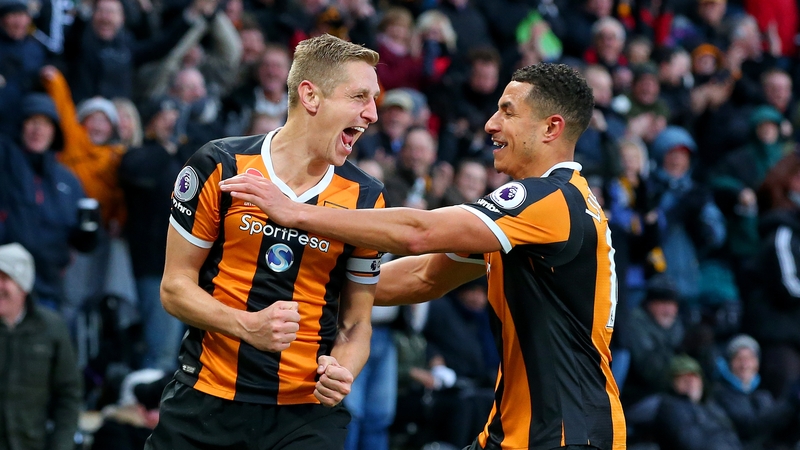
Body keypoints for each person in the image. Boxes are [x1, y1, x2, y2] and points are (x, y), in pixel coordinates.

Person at [221, 62, 626, 449]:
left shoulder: (548, 198)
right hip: (520, 430)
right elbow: (425, 277)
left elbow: (420, 232)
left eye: (508, 112)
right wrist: (308, 288)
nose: (491, 124)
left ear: (551, 128)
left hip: (563, 433)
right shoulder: (549, 209)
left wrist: (294, 212)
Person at [145, 34, 384, 450]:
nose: (373, 113)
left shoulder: (367, 198)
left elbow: (356, 323)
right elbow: (174, 288)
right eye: (360, 96)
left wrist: (342, 370)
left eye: (374, 98)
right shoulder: (219, 165)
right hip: (206, 401)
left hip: (305, 416)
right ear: (310, 96)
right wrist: (247, 326)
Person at [0, 242, 83, 450]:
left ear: (23, 286)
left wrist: (61, 445)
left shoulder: (52, 328)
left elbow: (69, 394)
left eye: (4, 278)